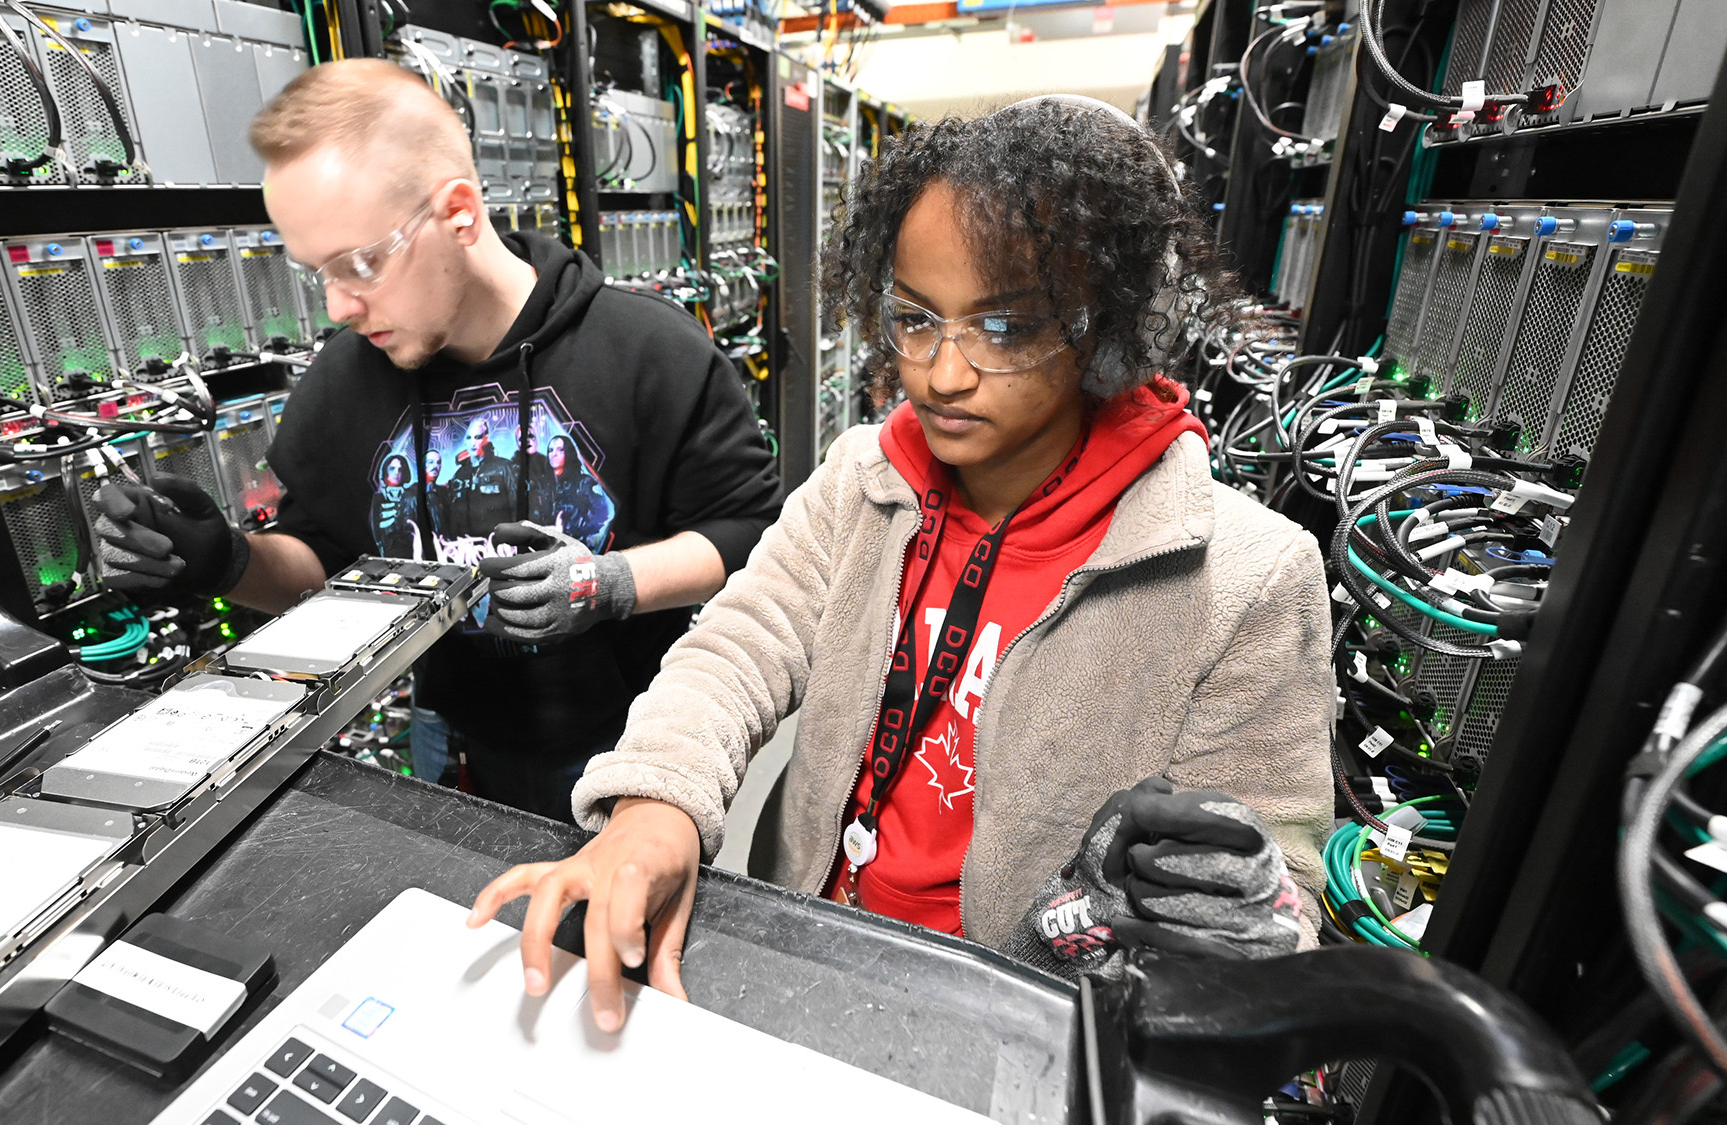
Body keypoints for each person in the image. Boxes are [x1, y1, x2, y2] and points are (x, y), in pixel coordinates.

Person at [468, 97, 1335, 1031]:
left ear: (1112, 325)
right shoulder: (865, 480)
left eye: (1004, 328)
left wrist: (1220, 909)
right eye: (916, 319)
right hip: (809, 941)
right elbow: (740, 644)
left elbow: (1273, 873)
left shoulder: (1244, 574)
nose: (940, 373)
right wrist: (655, 807)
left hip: (1016, 1017)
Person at [89, 59, 782, 820]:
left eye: (359, 263)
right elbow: (320, 560)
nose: (340, 305)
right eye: (317, 271)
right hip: (449, 737)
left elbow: (748, 536)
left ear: (458, 212)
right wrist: (221, 558)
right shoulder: (349, 375)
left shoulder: (648, 349)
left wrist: (607, 583)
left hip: (631, 740)